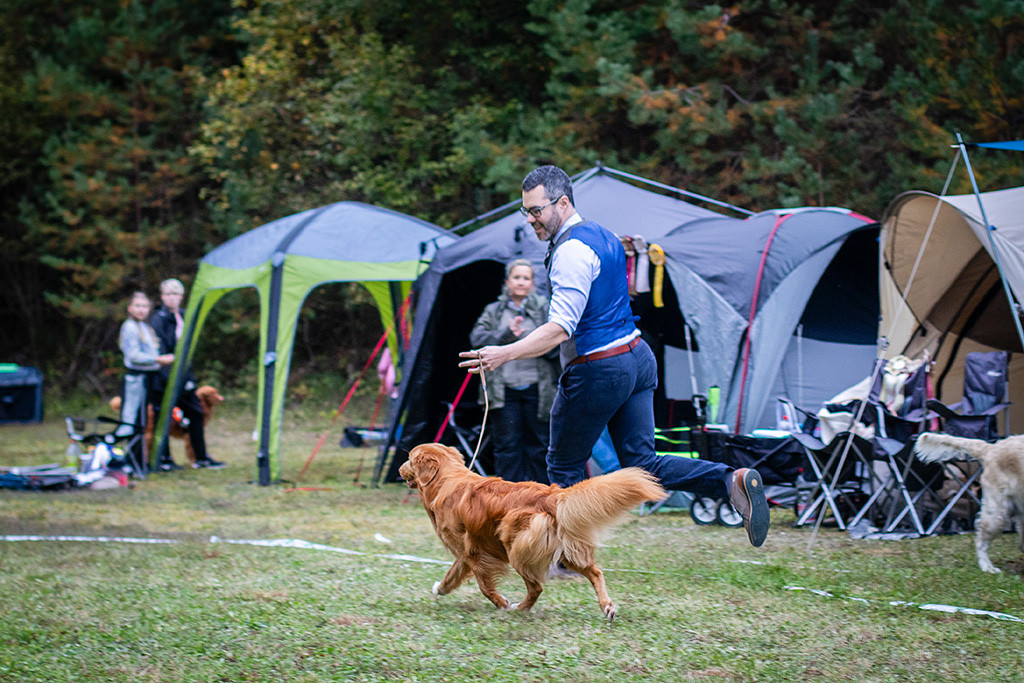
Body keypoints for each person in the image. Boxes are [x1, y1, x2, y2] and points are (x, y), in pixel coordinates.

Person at [460, 165, 769, 547]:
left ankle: (567, 557)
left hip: (598, 368)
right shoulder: (603, 235)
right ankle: (729, 480)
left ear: (563, 202)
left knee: (562, 467)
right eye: (526, 211)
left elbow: (560, 328)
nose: (530, 220)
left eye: (536, 210)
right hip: (637, 358)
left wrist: (503, 353)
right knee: (644, 464)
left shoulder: (571, 251)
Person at [469, 259, 559, 483]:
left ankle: (540, 496)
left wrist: (529, 340)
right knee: (507, 445)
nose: (521, 282)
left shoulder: (544, 307)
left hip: (538, 387)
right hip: (504, 389)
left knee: (540, 444)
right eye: (516, 278)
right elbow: (476, 339)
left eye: (526, 278)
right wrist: (505, 335)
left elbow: (558, 341)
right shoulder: (494, 310)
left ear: (533, 282)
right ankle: (507, 500)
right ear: (507, 282)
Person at [149, 278, 225, 470]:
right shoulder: (158, 319)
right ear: (162, 296)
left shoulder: (185, 316)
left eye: (176, 294)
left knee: (196, 413)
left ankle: (200, 458)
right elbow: (163, 349)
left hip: (185, 376)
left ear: (182, 297)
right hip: (164, 377)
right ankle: (163, 459)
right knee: (163, 418)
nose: (172, 298)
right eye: (168, 294)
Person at [117, 292, 173, 465]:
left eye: (145, 306)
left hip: (148, 378)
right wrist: (158, 360)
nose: (141, 310)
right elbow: (133, 356)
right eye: (138, 306)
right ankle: (132, 462)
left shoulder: (144, 326)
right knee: (132, 420)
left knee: (142, 420)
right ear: (130, 308)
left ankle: (140, 461)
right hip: (136, 380)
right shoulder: (130, 327)